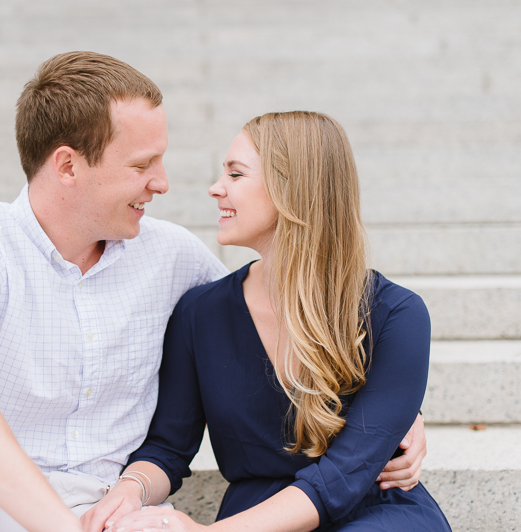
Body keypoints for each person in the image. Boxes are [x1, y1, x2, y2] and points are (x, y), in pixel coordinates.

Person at [0, 52, 427, 532]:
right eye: (141, 164)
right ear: (67, 167)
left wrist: (394, 411)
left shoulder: (172, 258)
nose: (164, 182)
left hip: (104, 509)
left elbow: (285, 317)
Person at [84, 112, 449, 532]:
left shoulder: (396, 313)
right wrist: (129, 490)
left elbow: (346, 474)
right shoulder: (200, 312)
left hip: (377, 515)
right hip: (254, 515)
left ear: (292, 188)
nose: (215, 188)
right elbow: (168, 447)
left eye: (236, 175)